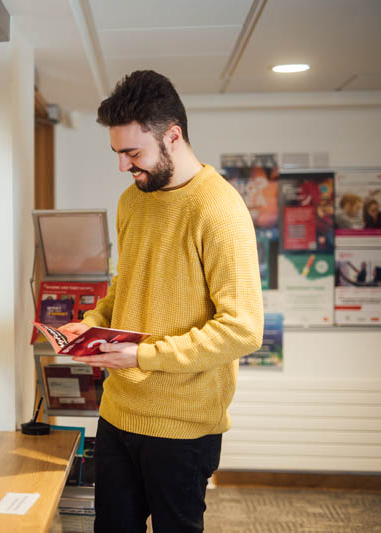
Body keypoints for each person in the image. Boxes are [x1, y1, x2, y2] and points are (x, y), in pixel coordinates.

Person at [59, 70, 263, 533]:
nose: (123, 166)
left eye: (133, 152)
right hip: (117, 412)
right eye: (117, 153)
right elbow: (126, 285)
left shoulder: (219, 209)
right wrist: (91, 325)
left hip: (183, 427)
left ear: (173, 136)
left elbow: (243, 328)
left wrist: (143, 354)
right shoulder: (132, 201)